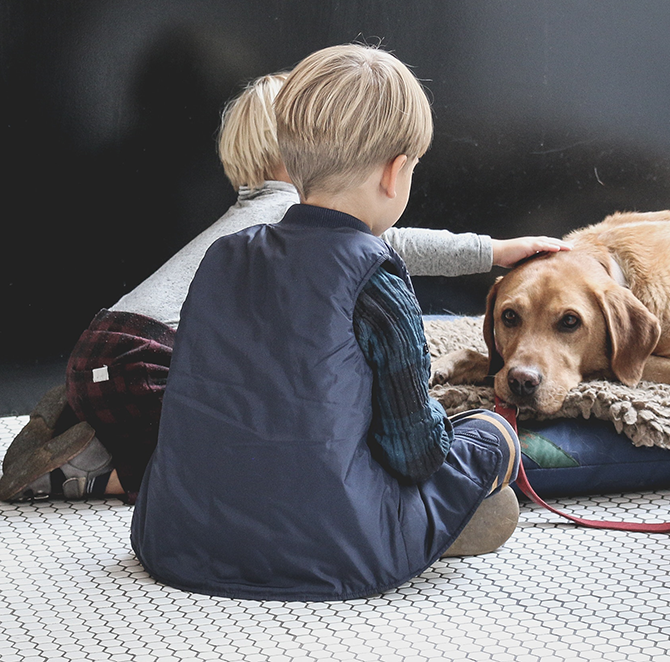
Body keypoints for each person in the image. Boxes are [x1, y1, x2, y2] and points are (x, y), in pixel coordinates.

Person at [0, 65, 570, 505]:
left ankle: (86, 426)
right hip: (151, 356)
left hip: (109, 344)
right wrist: (491, 250)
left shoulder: (247, 222)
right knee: (204, 467)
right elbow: (391, 244)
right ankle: (86, 476)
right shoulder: (292, 216)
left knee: (187, 429)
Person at [130, 43, 526, 601]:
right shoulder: (376, 279)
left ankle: (417, 519)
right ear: (396, 174)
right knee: (489, 435)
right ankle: (434, 520)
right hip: (333, 547)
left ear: (289, 164)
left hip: (178, 535)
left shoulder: (223, 255)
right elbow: (415, 452)